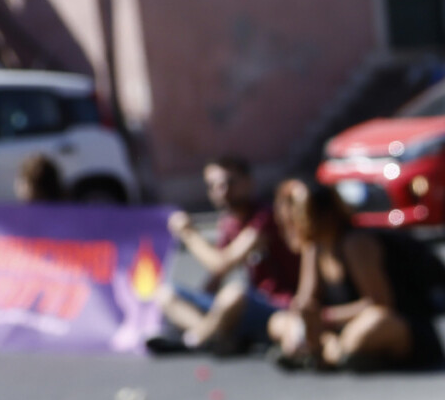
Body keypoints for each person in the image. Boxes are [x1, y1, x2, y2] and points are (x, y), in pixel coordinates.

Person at [266, 179, 416, 372]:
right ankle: (328, 350)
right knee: (278, 322)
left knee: (371, 325)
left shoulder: (354, 243)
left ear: (325, 214)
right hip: (336, 327)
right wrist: (305, 318)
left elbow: (380, 304)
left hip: (389, 324)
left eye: (301, 215)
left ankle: (330, 350)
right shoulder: (314, 247)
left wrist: (326, 318)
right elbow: (307, 299)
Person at [156, 156, 298, 356]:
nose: (222, 191)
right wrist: (207, 306)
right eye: (213, 186)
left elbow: (221, 264)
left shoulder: (265, 217)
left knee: (234, 294)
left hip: (276, 304)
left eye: (229, 183)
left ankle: (193, 340)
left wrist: (189, 234)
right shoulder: (229, 222)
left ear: (249, 182)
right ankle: (214, 336)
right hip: (243, 307)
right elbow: (216, 279)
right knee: (165, 294)